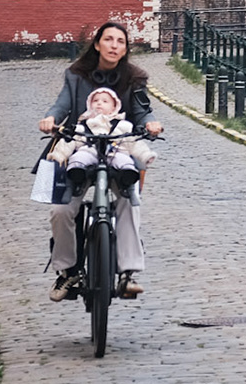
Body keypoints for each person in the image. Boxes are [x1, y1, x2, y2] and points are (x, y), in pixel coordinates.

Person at [37, 20, 163, 301]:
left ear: (126, 48)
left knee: (128, 202)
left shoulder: (135, 77)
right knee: (61, 210)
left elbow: (143, 112)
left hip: (118, 149)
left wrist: (152, 124)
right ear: (97, 44)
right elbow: (62, 105)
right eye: (108, 40)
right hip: (80, 146)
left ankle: (128, 272)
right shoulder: (76, 74)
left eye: (120, 41)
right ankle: (68, 273)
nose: (114, 46)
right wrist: (51, 119)